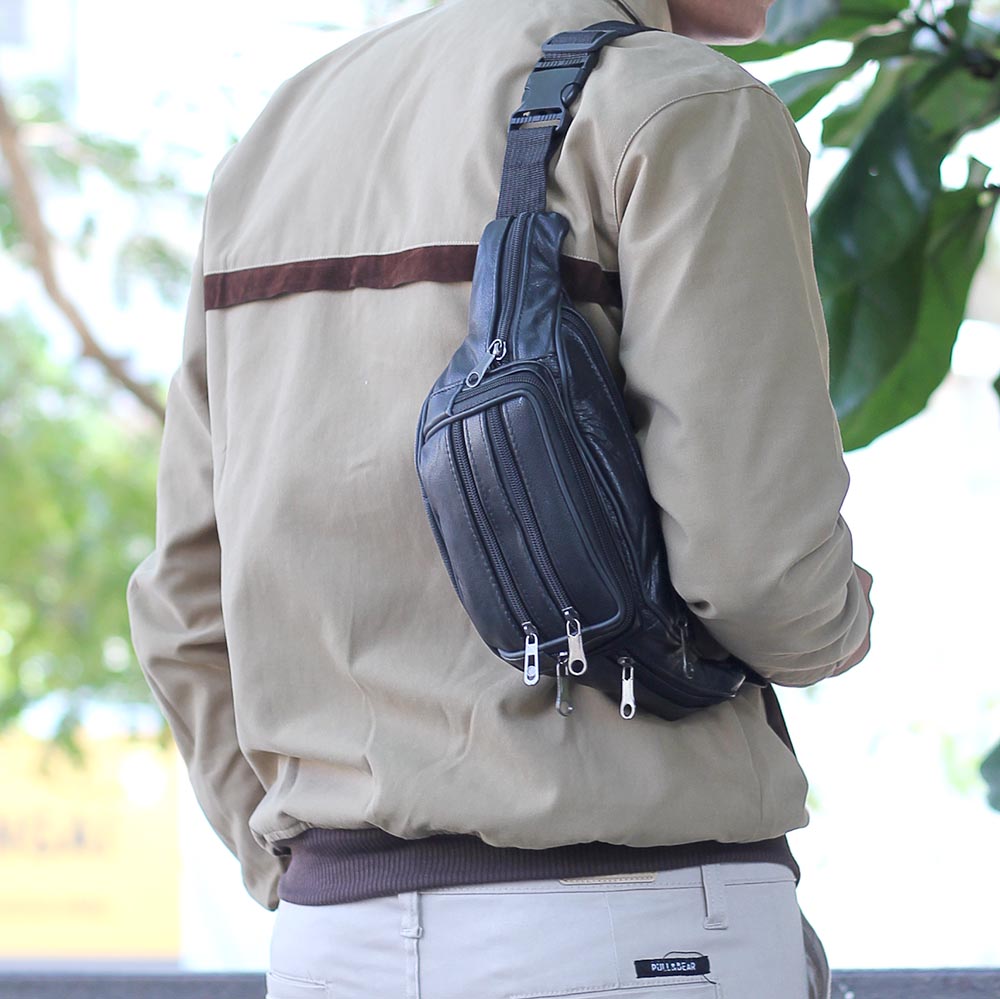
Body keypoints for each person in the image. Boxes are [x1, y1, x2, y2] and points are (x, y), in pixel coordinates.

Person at [125, 0, 875, 996]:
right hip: (629, 918)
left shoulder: (281, 135)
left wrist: (303, 868)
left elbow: (184, 597)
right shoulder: (681, 107)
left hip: (334, 940)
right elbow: (758, 571)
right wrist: (836, 627)